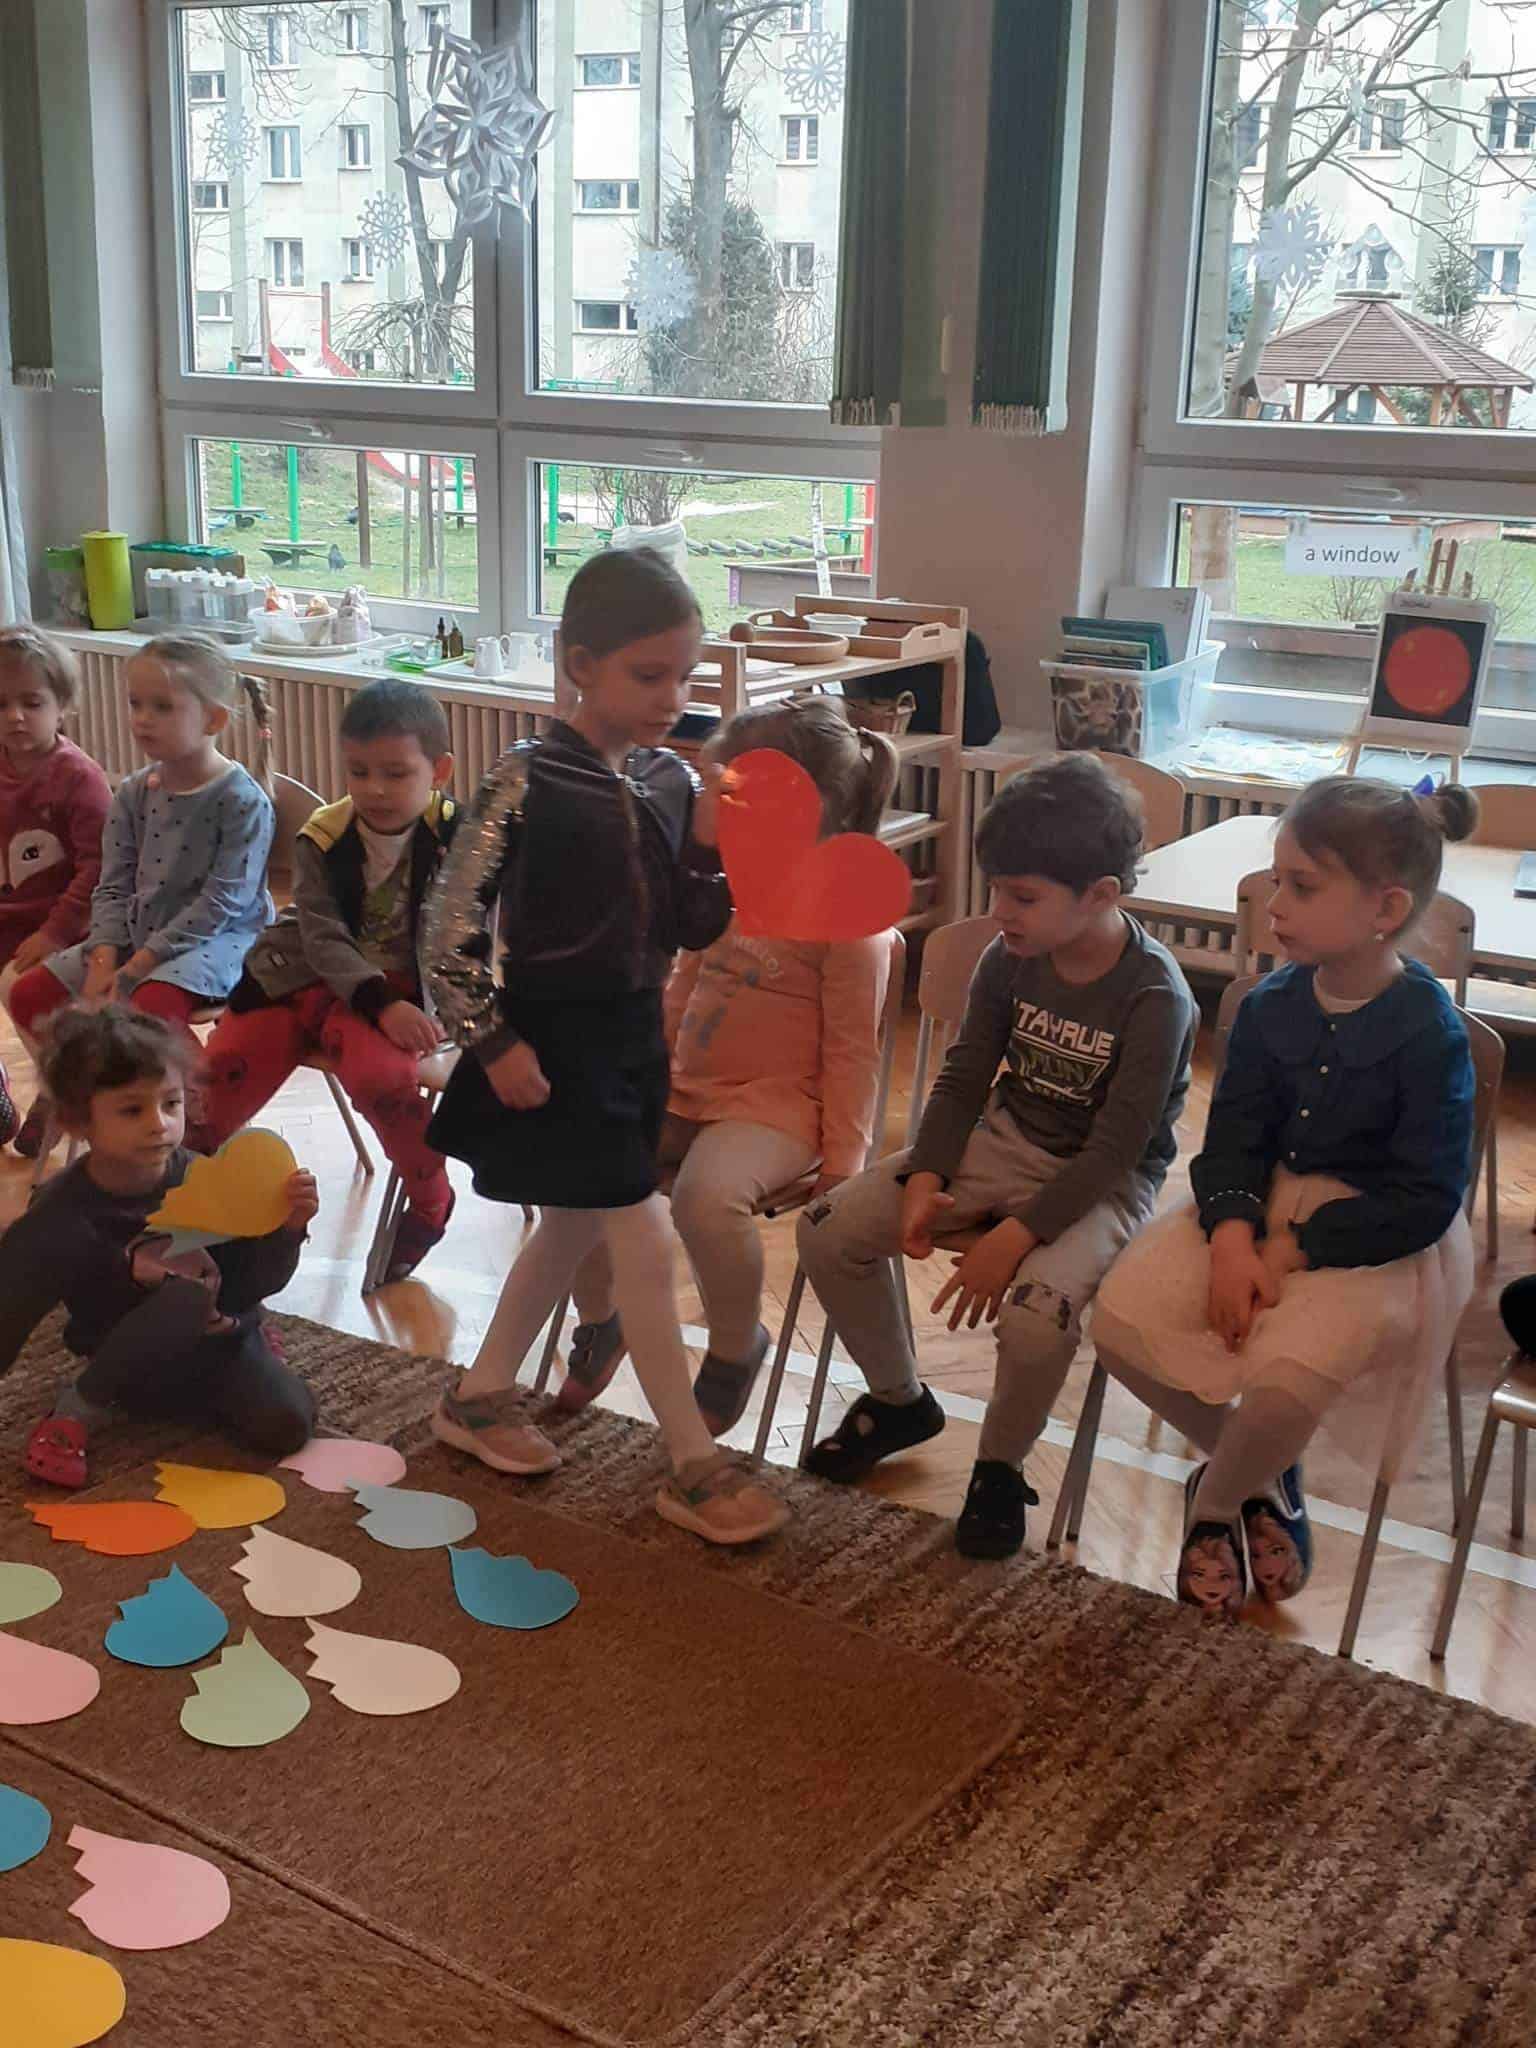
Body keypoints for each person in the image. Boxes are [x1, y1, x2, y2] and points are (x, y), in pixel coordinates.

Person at [422, 545, 786, 1546]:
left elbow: (693, 925)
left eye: (686, 676)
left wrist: (707, 838)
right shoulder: (525, 778)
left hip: (634, 1039)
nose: (674, 697)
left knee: (575, 1227)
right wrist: (492, 1040)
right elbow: (447, 927)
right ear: (581, 664)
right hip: (551, 1041)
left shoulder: (668, 778)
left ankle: (478, 1395)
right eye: (649, 674)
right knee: (641, 1236)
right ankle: (693, 1462)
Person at [1092, 776, 1478, 1621]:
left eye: (1302, 886)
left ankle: (1214, 1506)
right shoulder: (1268, 1007)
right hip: (1256, 1205)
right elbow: (1234, 1139)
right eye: (1278, 879)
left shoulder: (1429, 1031)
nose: (1275, 904)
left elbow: (1424, 1196)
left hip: (1373, 1237)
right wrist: (1234, 1238)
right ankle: (1264, 1474)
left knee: (1285, 1379)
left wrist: (1290, 1250)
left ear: (1386, 909)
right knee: (1118, 1326)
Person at [796, 752, 1198, 1560]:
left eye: (1023, 897)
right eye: (996, 890)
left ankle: (999, 1467)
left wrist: (1013, 1239)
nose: (999, 912)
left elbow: (1117, 1149)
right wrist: (928, 1175)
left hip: (1105, 1182)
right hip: (1003, 1143)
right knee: (825, 1229)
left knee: (1037, 1319)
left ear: (1101, 896)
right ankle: (899, 1400)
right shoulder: (1008, 956)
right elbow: (964, 1077)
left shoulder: (1157, 996)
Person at [557, 696, 900, 1432]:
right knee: (579, 1165)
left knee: (705, 1200)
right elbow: (684, 986)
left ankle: (736, 1347)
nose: (715, 808)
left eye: (734, 793)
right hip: (688, 1085)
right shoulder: (729, 882)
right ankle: (604, 1318)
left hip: (775, 1108)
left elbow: (853, 1052)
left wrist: (845, 1163)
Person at [198, 679, 458, 1281]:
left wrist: (422, 1005)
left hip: (400, 991)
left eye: (395, 773)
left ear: (440, 771)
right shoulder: (323, 835)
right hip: (301, 978)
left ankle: (431, 1202)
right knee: (218, 1076)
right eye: (358, 771)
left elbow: (467, 938)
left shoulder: (460, 840)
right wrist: (378, 1001)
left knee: (384, 1080)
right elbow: (320, 937)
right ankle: (189, 1201)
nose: (374, 789)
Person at [3, 1006, 320, 1490]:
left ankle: (223, 1373)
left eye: (171, 1104)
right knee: (187, 1293)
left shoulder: (204, 1177)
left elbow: (251, 1284)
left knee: (290, 1423)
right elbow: (8, 1310)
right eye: (132, 1110)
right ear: (78, 1120)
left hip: (216, 1346)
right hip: (120, 1358)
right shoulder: (64, 1213)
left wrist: (288, 1229)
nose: (160, 1124)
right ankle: (76, 1410)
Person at [6, 635, 275, 1121]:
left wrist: (133, 968)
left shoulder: (242, 801)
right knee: (29, 995)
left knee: (149, 1003)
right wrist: (104, 957)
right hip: (139, 930)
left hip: (218, 940)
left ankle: (203, 1114)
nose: (142, 719)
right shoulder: (133, 792)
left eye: (162, 707)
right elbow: (111, 883)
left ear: (213, 720)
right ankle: (94, 1101)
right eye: (136, 704)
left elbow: (221, 905)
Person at [0, 627, 111, 1153]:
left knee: (14, 985)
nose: (15, 716)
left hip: (62, 928)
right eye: (1, 704)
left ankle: (61, 1088)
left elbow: (100, 868)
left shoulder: (78, 778)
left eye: (32, 702)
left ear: (62, 706)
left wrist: (54, 932)